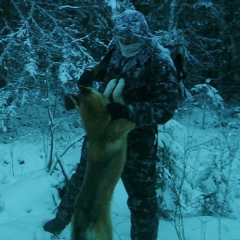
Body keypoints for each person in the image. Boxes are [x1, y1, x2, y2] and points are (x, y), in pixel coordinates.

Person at [43, 9, 179, 240]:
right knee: (82, 179)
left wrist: (130, 111)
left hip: (136, 141)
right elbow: (104, 66)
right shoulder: (117, 47)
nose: (125, 42)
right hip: (101, 131)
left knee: (142, 197)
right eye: (121, 37)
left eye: (130, 38)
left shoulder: (160, 61)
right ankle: (61, 220)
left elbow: (166, 108)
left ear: (142, 36)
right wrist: (90, 73)